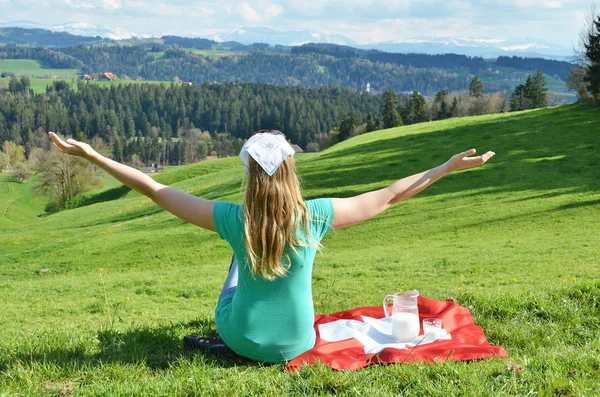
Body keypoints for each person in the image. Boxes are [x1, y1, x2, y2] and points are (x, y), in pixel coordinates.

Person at [48, 130, 495, 363]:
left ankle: (232, 333)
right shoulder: (315, 216)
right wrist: (446, 167)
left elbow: (153, 188)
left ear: (249, 175)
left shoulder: (232, 218)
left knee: (238, 258)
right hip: (299, 343)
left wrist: (91, 155)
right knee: (248, 254)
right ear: (291, 172)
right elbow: (390, 195)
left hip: (241, 339)